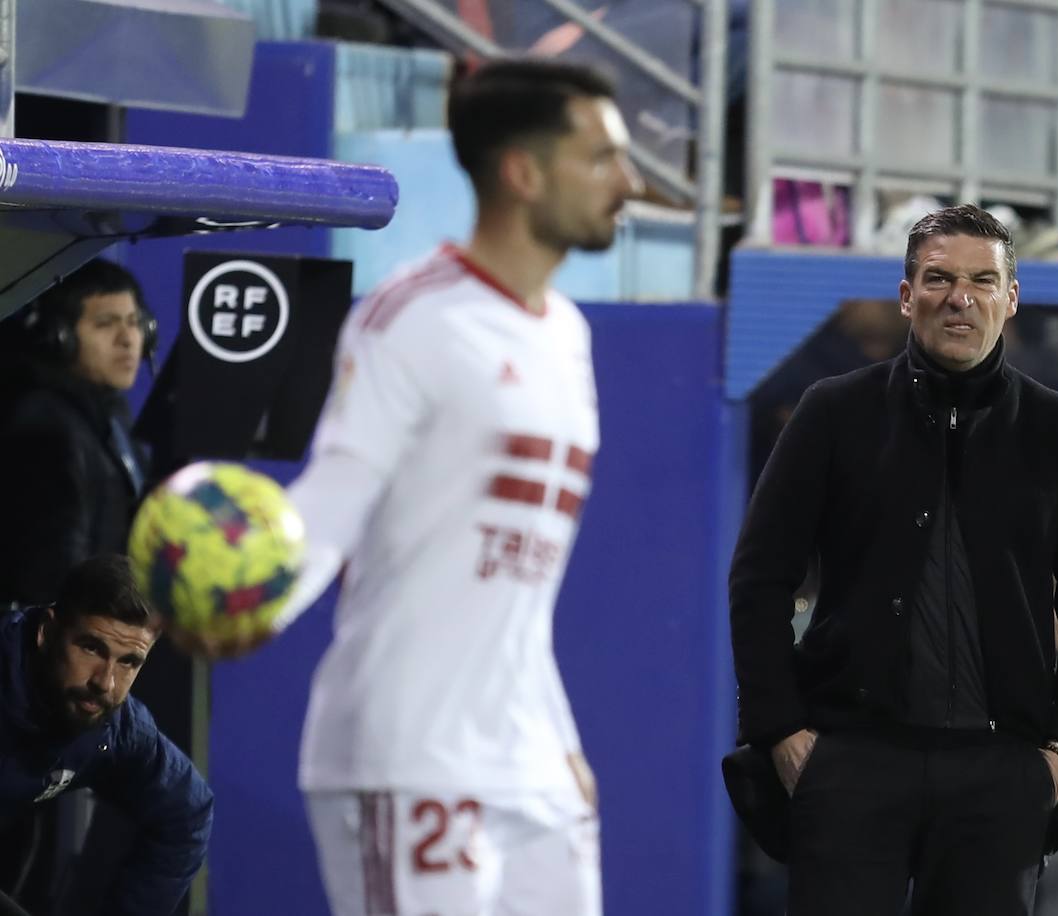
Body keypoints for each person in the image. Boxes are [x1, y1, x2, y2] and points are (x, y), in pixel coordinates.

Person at [181, 58, 642, 915]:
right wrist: (259, 598)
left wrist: (559, 737)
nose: (629, 181)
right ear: (522, 173)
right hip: (412, 752)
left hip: (532, 761)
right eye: (603, 158)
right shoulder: (413, 317)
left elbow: (513, 584)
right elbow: (336, 495)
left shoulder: (568, 338)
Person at [727, 204, 1058, 914]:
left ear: (1010, 300)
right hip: (850, 759)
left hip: (1002, 771)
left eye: (982, 280)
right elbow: (759, 580)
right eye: (939, 278)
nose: (959, 297)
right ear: (907, 295)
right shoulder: (833, 412)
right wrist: (782, 733)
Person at [0, 555, 212, 916]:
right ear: (47, 632)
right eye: (91, 648)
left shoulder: (117, 728)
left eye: (129, 661)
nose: (104, 682)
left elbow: (186, 814)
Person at [0, 258, 155, 606]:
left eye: (134, 322)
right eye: (105, 324)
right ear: (60, 338)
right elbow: (50, 585)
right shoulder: (43, 427)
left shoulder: (106, 414)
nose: (128, 339)